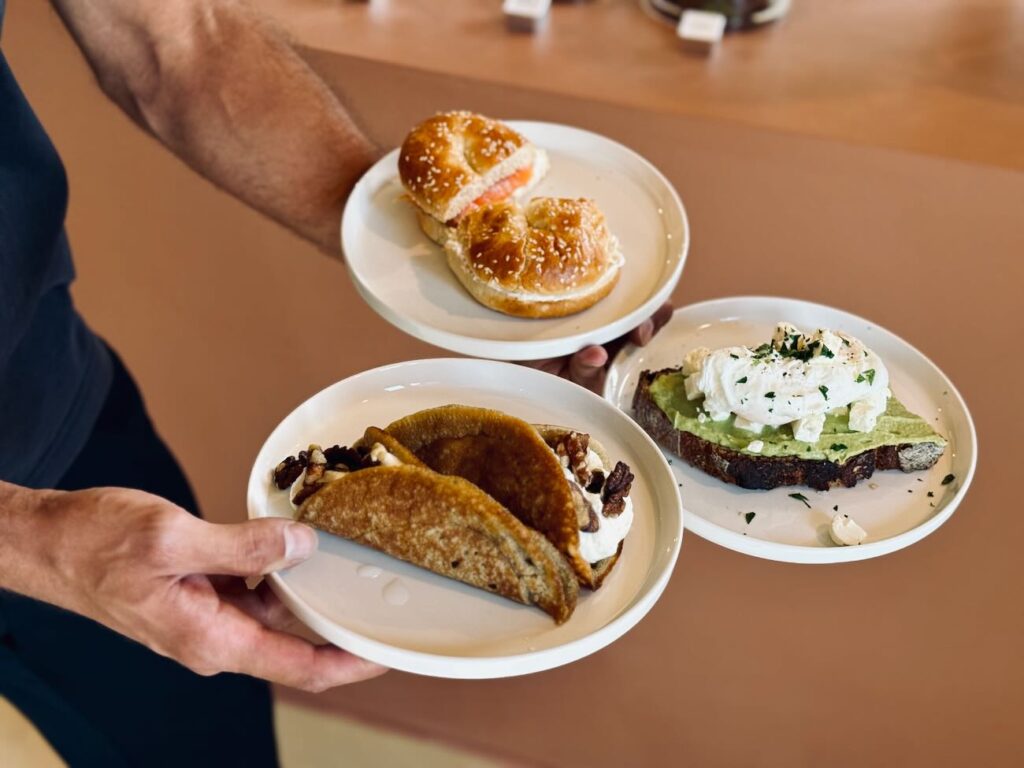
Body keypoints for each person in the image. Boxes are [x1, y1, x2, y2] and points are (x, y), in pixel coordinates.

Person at [0, 1, 671, 765]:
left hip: (58, 406)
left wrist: (448, 276)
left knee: (204, 736)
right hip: (43, 514)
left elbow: (178, 38)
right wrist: (30, 540)